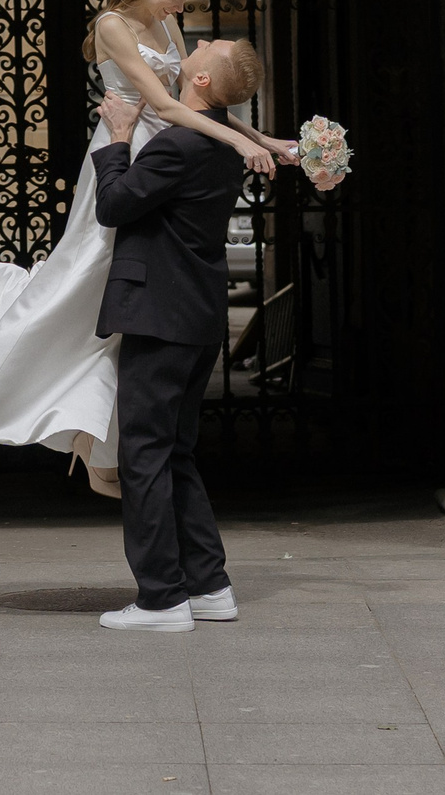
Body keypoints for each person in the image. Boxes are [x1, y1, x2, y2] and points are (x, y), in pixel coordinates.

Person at [0, 0, 292, 494]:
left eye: (187, 0)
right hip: (124, 150)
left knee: (130, 298)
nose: (181, 8)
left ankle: (93, 438)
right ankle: (32, 398)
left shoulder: (168, 23)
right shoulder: (113, 25)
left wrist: (264, 139)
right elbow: (165, 105)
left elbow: (198, 101)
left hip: (165, 151)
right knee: (86, 286)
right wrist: (238, 142)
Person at [86, 36, 262, 631]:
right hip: (195, 314)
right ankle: (209, 586)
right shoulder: (220, 142)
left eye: (212, 45)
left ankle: (162, 598)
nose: (202, 39)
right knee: (175, 453)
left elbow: (114, 206)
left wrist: (117, 140)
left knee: (143, 455)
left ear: (203, 81)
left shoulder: (179, 145)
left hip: (158, 314)